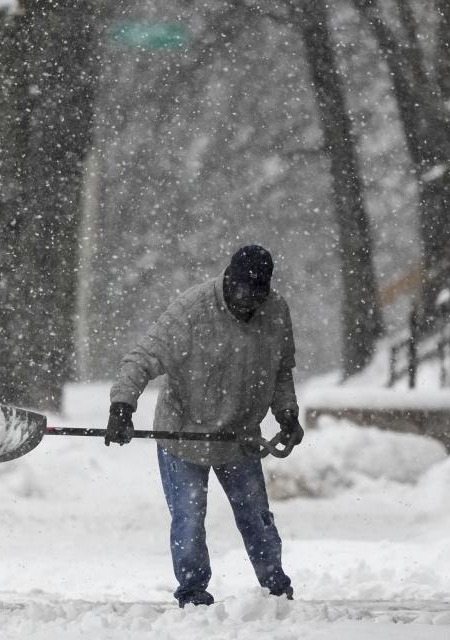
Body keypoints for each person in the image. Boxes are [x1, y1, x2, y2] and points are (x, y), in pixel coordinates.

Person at [106, 244, 304, 608]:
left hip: (239, 434)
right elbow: (141, 358)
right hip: (185, 432)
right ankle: (193, 591)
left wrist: (287, 413)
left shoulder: (276, 312)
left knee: (256, 517)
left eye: (258, 294)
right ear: (229, 281)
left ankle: (275, 586)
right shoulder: (191, 312)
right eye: (242, 291)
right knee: (189, 516)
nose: (249, 303)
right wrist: (122, 406)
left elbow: (281, 371)